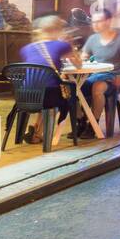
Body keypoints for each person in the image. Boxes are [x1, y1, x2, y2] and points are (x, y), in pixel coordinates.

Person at [18, 15, 78, 144]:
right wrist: (70, 44)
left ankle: (36, 131)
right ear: (57, 30)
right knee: (63, 93)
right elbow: (78, 65)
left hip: (25, 96)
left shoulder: (26, 48)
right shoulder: (61, 45)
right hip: (48, 97)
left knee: (47, 88)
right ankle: (80, 123)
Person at [81, 9, 120, 137]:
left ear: (108, 21)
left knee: (97, 87)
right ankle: (80, 122)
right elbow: (83, 58)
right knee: (73, 89)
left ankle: (92, 125)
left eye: (99, 21)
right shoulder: (92, 39)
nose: (95, 25)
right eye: (93, 22)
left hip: (113, 77)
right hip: (95, 76)